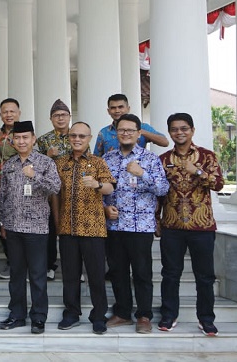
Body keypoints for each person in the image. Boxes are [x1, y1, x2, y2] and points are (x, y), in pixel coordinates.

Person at [158, 113, 224, 336]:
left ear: (192, 130)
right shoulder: (164, 159)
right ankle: (169, 314)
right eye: (175, 129)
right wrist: (157, 219)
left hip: (202, 226)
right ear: (170, 132)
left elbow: (218, 184)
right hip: (171, 225)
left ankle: (206, 318)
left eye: (184, 128)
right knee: (170, 273)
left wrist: (196, 171)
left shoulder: (207, 156)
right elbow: (158, 193)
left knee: (204, 276)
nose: (179, 132)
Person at [103, 113, 170, 334]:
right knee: (117, 271)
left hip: (140, 226)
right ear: (116, 133)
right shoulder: (107, 159)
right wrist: (105, 208)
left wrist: (142, 174)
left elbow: (162, 189)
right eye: (122, 130)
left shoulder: (150, 160)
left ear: (139, 133)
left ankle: (144, 315)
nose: (126, 134)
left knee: (142, 273)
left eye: (131, 130)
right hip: (114, 226)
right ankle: (122, 313)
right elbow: (101, 191)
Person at [0, 121, 60, 335]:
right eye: (18, 138)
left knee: (37, 275)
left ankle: (39, 317)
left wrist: (35, 176)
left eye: (26, 137)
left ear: (33, 139)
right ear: (12, 141)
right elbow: (3, 196)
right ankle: (17, 314)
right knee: (16, 274)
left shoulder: (45, 163)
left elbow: (55, 187)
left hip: (36, 228)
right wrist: (3, 222)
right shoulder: (10, 165)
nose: (21, 141)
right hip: (13, 227)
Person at [53, 121, 115, 335]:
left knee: (96, 275)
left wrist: (97, 185)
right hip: (68, 228)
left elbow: (109, 187)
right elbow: (55, 195)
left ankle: (98, 316)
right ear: (69, 138)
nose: (77, 139)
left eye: (81, 136)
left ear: (89, 139)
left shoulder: (98, 163)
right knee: (70, 275)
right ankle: (71, 313)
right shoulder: (61, 163)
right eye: (73, 136)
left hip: (93, 229)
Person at [35, 99, 73, 280]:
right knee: (49, 228)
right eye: (56, 116)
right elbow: (35, 164)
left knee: (71, 229)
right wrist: (46, 155)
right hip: (50, 193)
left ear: (69, 117)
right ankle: (49, 265)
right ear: (51, 119)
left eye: (63, 115)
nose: (60, 118)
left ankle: (73, 267)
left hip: (72, 190)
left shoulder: (77, 136)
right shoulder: (44, 140)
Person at [0, 98, 21, 279]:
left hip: (20, 188)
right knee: (4, 226)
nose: (9, 114)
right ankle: (11, 261)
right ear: (0, 114)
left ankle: (21, 263)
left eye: (12, 111)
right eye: (5, 111)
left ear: (18, 113)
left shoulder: (25, 134)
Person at [94, 94, 169, 157]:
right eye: (113, 108)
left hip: (137, 170)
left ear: (128, 108)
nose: (117, 111)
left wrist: (138, 131)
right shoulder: (104, 133)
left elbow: (165, 142)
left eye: (120, 107)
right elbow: (96, 158)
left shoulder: (142, 127)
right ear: (108, 111)